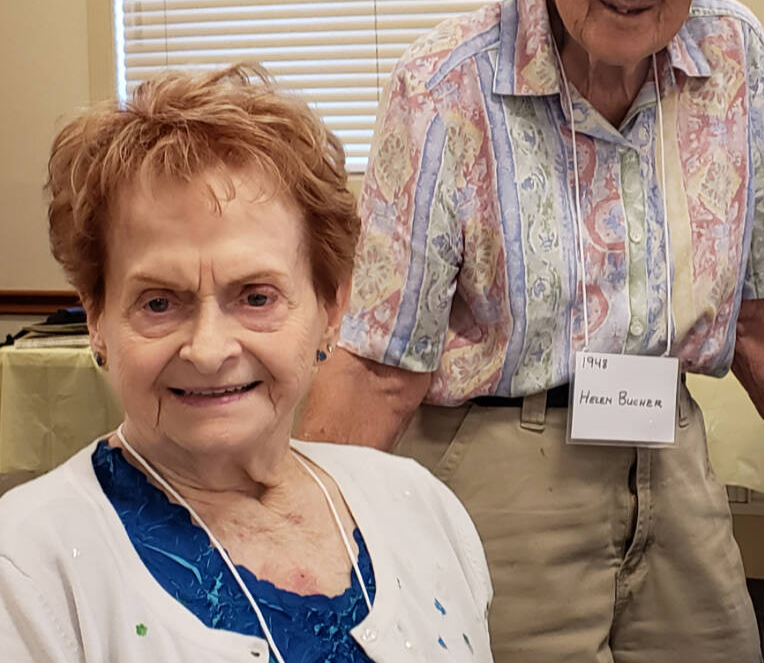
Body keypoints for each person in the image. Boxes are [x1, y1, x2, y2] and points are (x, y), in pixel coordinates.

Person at [298, 0, 764, 662]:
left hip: (669, 452)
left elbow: (759, 317)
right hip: (500, 470)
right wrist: (294, 552)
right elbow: (382, 365)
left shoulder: (736, 58)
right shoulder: (444, 88)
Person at [0, 65, 493, 663]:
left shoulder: (422, 508)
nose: (208, 350)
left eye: (256, 297)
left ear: (330, 306)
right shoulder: (25, 566)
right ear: (97, 315)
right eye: (159, 302)